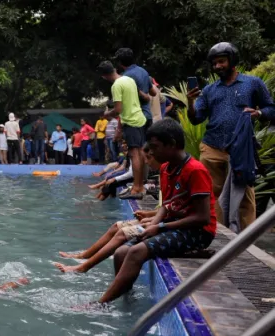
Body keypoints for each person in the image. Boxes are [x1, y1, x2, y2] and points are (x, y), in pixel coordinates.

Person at [96, 119, 217, 304]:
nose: (150, 152)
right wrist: (154, 224)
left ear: (172, 144)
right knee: (121, 253)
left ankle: (100, 304)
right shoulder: (167, 169)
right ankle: (126, 298)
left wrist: (160, 226)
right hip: (173, 226)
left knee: (136, 252)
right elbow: (166, 205)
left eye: (155, 147)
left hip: (198, 232)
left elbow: (202, 218)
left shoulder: (194, 170)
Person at [187, 42, 275, 232]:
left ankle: (245, 242)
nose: (218, 66)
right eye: (215, 63)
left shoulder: (252, 83)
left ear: (232, 61)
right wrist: (190, 102)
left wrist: (258, 113)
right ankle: (217, 236)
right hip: (212, 148)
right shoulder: (210, 90)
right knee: (212, 195)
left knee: (244, 196)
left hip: (242, 149)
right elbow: (196, 119)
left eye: (222, 61)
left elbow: (271, 109)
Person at [56, 146, 162, 273]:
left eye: (149, 158)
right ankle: (83, 256)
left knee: (122, 234)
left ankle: (83, 267)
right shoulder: (163, 173)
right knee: (115, 227)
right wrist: (149, 214)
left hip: (161, 223)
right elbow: (167, 208)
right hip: (155, 219)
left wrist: (152, 220)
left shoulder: (170, 173)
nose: (145, 162)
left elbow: (175, 211)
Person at [99, 60, 147, 199]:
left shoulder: (116, 86)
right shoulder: (129, 79)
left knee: (134, 154)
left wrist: (107, 114)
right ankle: (139, 186)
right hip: (139, 118)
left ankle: (137, 188)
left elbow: (118, 109)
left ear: (104, 76)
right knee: (139, 153)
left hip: (131, 121)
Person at [114, 47, 156, 127]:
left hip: (134, 120)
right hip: (148, 116)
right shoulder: (143, 71)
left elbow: (124, 103)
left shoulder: (125, 77)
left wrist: (119, 129)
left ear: (119, 62)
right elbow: (153, 93)